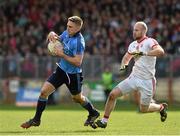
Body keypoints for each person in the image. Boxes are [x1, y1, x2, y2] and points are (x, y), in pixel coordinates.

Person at [21, 16, 100, 129]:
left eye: (70, 27)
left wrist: (62, 55)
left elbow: (78, 62)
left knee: (77, 98)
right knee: (43, 92)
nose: (67, 28)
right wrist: (51, 34)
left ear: (78, 28)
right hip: (61, 70)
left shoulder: (79, 42)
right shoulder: (66, 33)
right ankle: (36, 120)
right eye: (67, 25)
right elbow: (57, 39)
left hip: (73, 75)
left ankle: (93, 112)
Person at [92, 21, 168, 129]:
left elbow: (161, 51)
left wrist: (144, 53)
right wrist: (124, 66)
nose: (134, 32)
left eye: (136, 30)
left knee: (143, 109)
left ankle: (160, 107)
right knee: (113, 94)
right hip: (134, 77)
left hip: (147, 81)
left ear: (143, 31)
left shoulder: (150, 41)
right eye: (133, 30)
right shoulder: (133, 44)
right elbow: (127, 57)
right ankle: (104, 121)